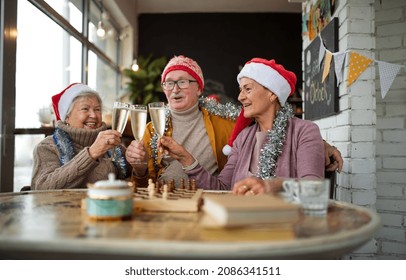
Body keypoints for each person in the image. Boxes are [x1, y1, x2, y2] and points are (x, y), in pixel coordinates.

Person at [126, 55, 343, 188]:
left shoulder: (227, 122)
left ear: (273, 94)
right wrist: (185, 158)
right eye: (168, 84)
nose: (239, 97)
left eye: (247, 89)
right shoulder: (242, 137)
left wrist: (321, 145)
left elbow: (311, 187)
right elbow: (222, 187)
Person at [126, 55, 237, 188]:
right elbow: (143, 187)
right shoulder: (152, 130)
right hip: (163, 202)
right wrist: (140, 170)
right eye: (169, 83)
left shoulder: (226, 125)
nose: (175, 89)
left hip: (207, 201)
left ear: (199, 88)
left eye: (183, 82)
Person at [31, 83, 130, 190]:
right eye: (85, 109)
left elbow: (134, 182)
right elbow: (42, 188)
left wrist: (140, 168)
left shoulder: (113, 146)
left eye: (97, 109)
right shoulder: (47, 147)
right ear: (67, 117)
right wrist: (91, 153)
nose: (93, 115)